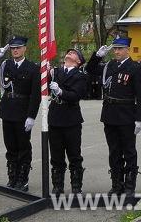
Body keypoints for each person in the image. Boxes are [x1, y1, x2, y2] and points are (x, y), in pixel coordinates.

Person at [86, 37, 141, 196]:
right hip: (109, 114)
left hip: (127, 115)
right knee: (114, 151)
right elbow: (90, 69)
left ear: (127, 49)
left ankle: (129, 185)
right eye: (115, 49)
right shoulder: (110, 65)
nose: (117, 51)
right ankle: (117, 184)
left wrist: (140, 118)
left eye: (120, 49)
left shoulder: (135, 68)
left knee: (129, 151)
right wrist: (97, 56)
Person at [0, 36, 40, 192]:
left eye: (18, 47)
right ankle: (12, 177)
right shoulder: (5, 65)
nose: (15, 50)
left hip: (22, 112)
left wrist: (31, 116)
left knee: (23, 147)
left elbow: (35, 95)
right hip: (7, 111)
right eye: (13, 48)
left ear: (24, 48)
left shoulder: (32, 67)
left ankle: (23, 179)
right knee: (11, 146)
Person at [48, 48, 88, 196]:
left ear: (78, 61)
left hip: (71, 119)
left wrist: (60, 92)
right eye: (69, 52)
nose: (69, 53)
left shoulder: (80, 76)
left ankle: (76, 185)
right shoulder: (55, 72)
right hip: (55, 117)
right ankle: (57, 186)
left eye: (73, 53)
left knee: (74, 155)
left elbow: (76, 95)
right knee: (56, 155)